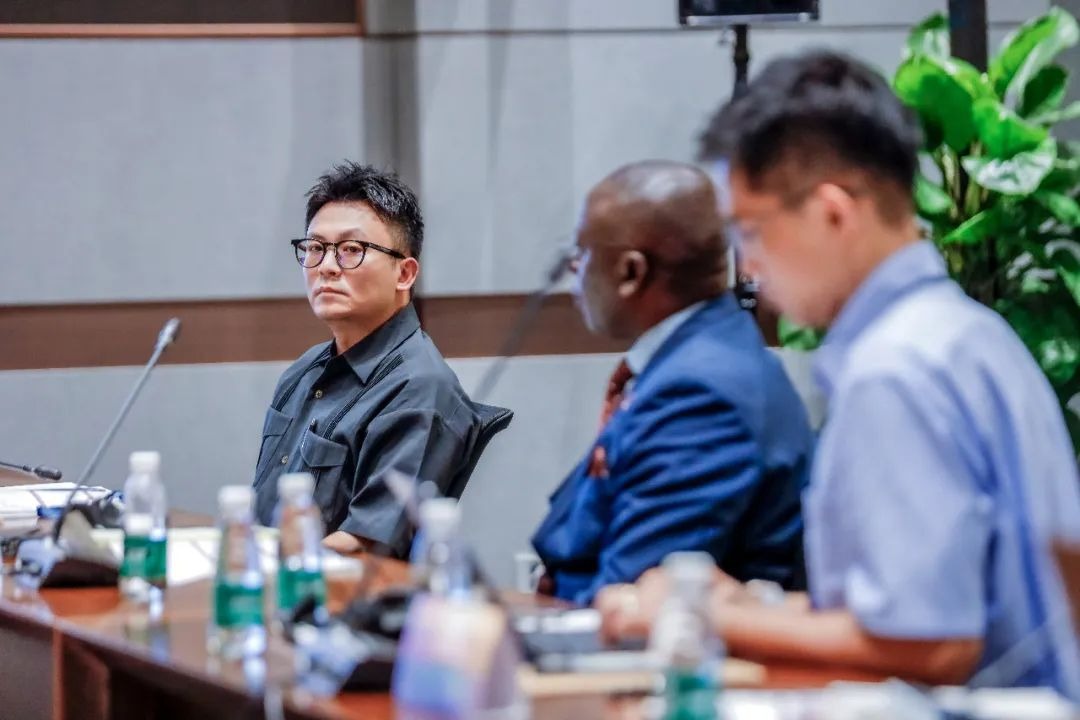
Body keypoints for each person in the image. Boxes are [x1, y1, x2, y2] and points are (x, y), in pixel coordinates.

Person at [597, 51, 1080, 698]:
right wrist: (756, 606)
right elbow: (908, 608)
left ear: (833, 213)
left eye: (751, 231)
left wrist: (700, 615)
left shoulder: (895, 369)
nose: (748, 267)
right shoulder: (967, 332)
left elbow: (932, 644)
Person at [530, 160, 814, 605]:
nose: (573, 270)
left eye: (582, 253)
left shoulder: (702, 394)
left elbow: (632, 601)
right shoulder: (696, 357)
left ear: (631, 273)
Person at [252, 162, 482, 557]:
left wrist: (263, 566)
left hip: (340, 592)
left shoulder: (421, 388)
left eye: (351, 250)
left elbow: (367, 544)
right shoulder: (302, 372)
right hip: (275, 581)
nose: (326, 267)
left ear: (404, 274)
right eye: (315, 248)